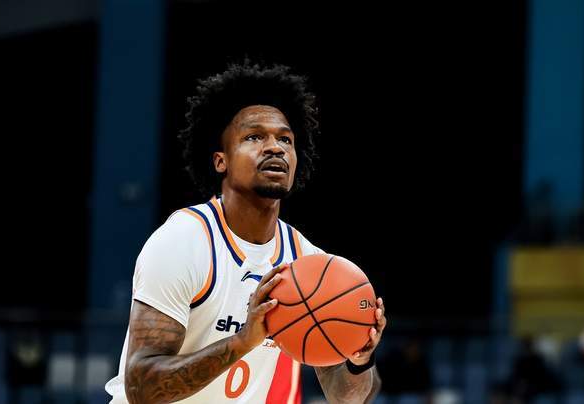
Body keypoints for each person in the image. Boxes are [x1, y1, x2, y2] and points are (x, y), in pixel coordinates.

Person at [105, 61, 386, 403]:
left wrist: (359, 357)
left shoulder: (308, 262)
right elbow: (140, 388)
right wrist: (242, 341)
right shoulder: (184, 241)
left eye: (285, 139)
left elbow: (346, 398)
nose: (275, 147)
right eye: (254, 137)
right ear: (220, 160)